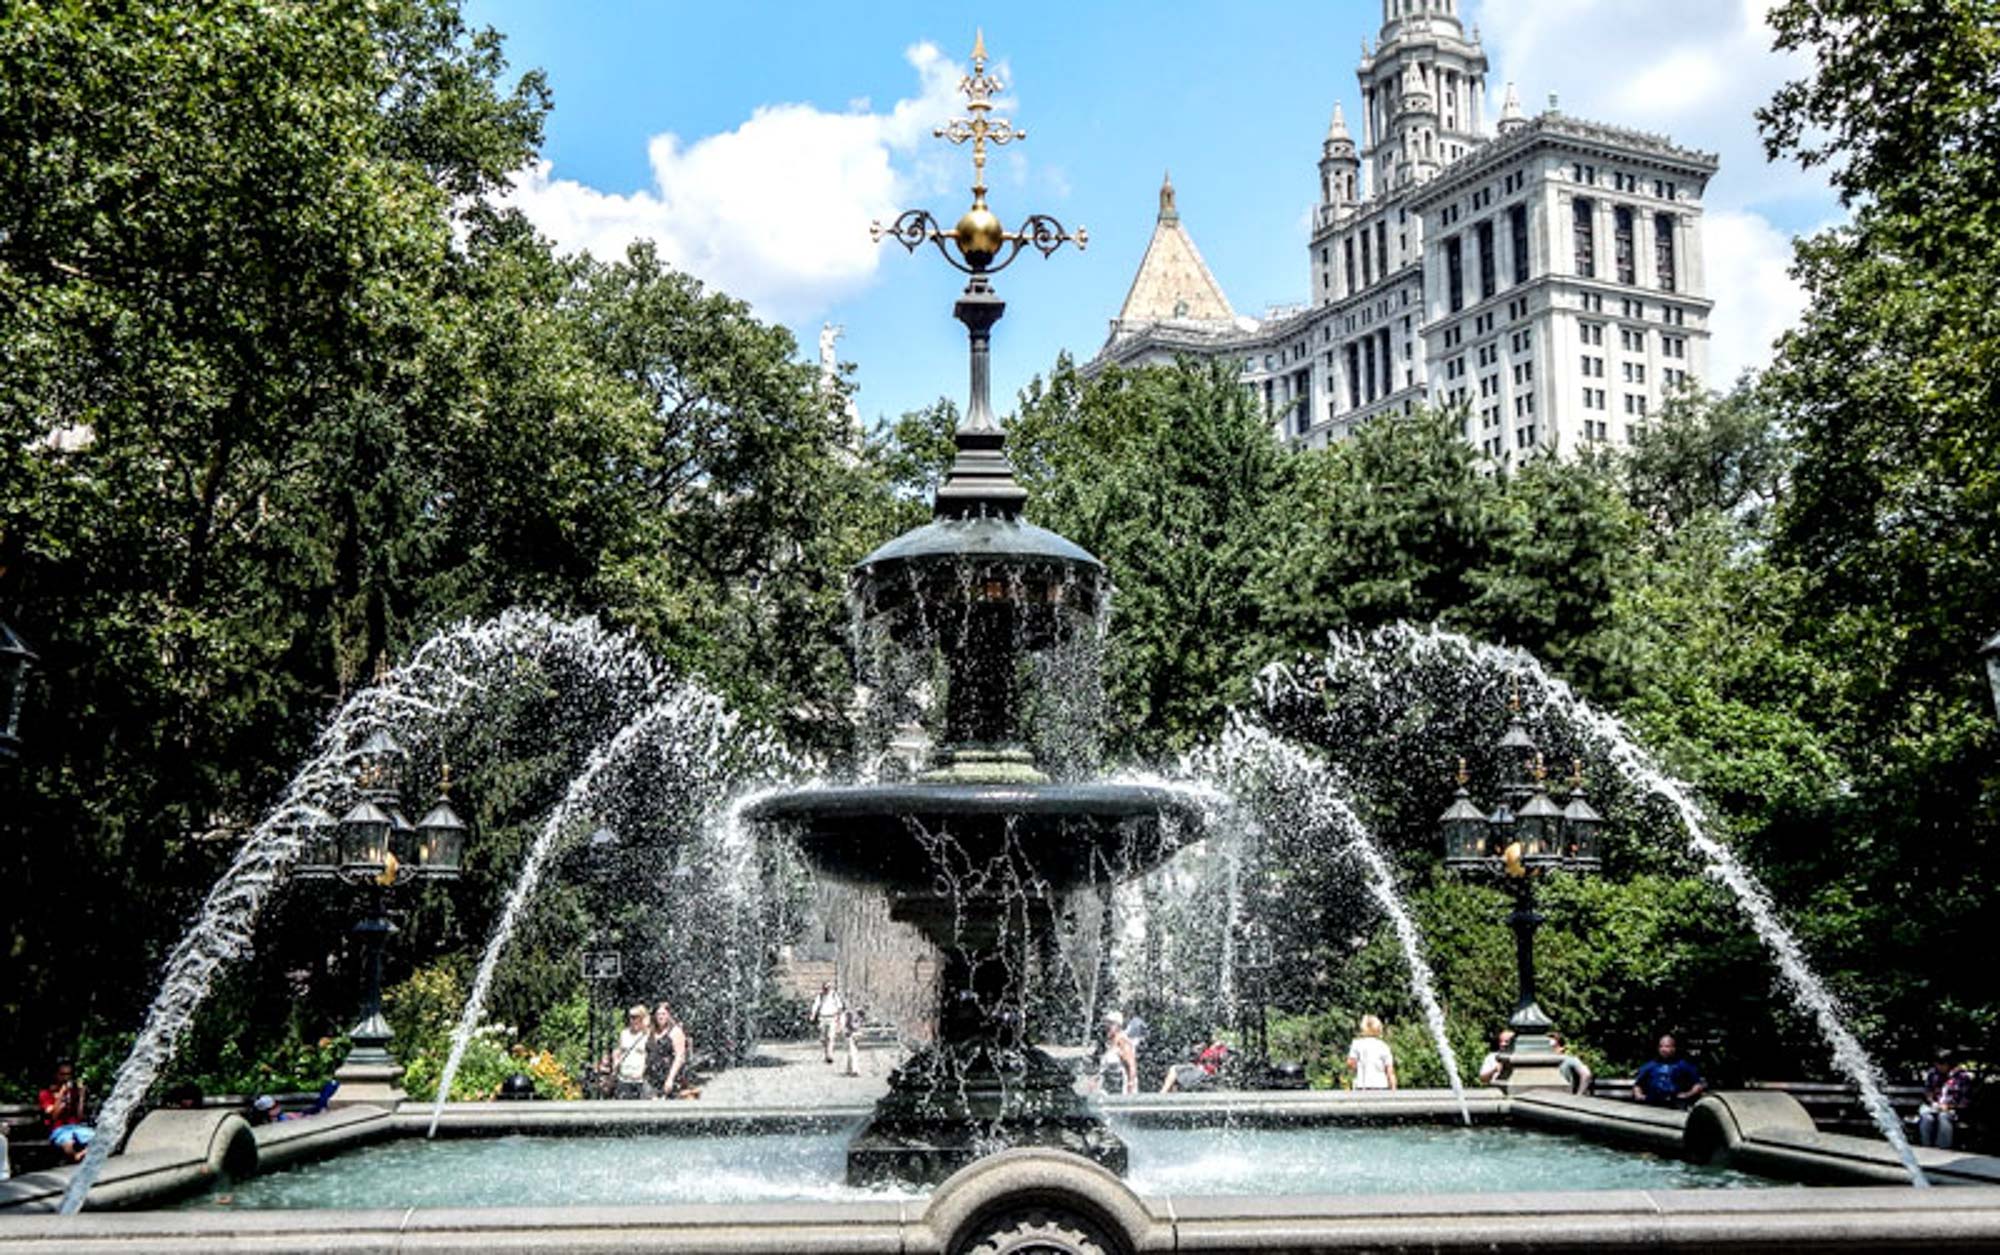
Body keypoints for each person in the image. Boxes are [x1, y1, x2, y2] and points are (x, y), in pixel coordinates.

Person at [37, 1060, 93, 1165]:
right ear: (56, 1075)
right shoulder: (46, 1093)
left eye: (68, 1075)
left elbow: (79, 1117)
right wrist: (61, 1095)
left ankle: (80, 1156)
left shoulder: (73, 1092)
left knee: (98, 1139)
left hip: (75, 1126)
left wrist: (81, 1097)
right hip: (58, 1129)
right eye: (62, 1074)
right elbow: (53, 1117)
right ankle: (77, 1157)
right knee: (68, 1145)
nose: (65, 1078)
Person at [1919, 1049, 1974, 1149]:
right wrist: (1933, 1102)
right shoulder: (1933, 1074)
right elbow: (1928, 1091)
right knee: (1926, 1117)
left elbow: (1965, 1101)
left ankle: (1943, 1148)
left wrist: (1949, 1106)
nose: (1938, 1067)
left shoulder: (1962, 1077)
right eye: (1936, 1064)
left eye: (1941, 1064)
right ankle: (1926, 1147)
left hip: (1953, 1110)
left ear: (1949, 1063)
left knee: (1944, 1117)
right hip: (1934, 1106)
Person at [1632, 1033, 1705, 1108]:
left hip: (1675, 1104)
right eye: (1661, 1046)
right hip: (1652, 1103)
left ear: (1673, 1048)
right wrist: (1639, 1095)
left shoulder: (1684, 1066)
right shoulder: (1650, 1066)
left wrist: (1687, 1095)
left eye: (1667, 1046)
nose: (1663, 1049)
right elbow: (1638, 1084)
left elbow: (1697, 1085)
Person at [1160, 1031, 1231, 1093]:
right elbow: (1194, 1055)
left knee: (1174, 1070)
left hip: (1204, 1073)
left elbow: (1222, 1059)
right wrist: (1198, 1049)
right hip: (1196, 1069)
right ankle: (1167, 1095)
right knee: (1174, 1070)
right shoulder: (1207, 1046)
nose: (1215, 1037)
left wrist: (1217, 1049)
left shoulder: (1221, 1049)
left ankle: (1163, 1095)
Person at [646, 1001, 691, 1098]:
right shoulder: (651, 1032)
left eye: (663, 1014)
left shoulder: (675, 1032)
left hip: (669, 1076)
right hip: (652, 1078)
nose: (660, 1017)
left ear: (668, 1015)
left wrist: (670, 1078)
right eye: (658, 1014)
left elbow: (680, 1057)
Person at [608, 1004, 651, 1099]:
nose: (633, 1020)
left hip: (640, 1080)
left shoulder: (647, 1035)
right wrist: (615, 1061)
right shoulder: (624, 1033)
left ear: (642, 1018)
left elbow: (651, 1055)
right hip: (624, 1079)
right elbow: (618, 1050)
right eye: (631, 1017)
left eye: (636, 1017)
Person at [1345, 1015, 1398, 1090]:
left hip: (1362, 1085)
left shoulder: (1356, 1044)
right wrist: (1393, 1089)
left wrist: (1359, 1067)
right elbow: (1390, 1071)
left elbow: (1350, 1063)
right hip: (1381, 1086)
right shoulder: (1384, 1046)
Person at [808, 982, 849, 1066]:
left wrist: (839, 1019)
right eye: (825, 988)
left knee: (830, 1037)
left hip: (832, 1018)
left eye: (828, 987)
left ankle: (830, 1055)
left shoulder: (834, 995)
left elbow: (839, 1007)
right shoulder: (820, 996)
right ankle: (826, 1052)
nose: (827, 989)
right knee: (823, 1038)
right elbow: (815, 1005)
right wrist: (813, 1014)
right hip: (822, 1018)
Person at [1098, 1011, 1138, 1095]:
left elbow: (1132, 1066)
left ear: (1118, 1026)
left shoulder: (1123, 1042)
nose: (1107, 1027)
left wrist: (1130, 1085)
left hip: (1122, 1089)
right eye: (1106, 1024)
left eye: (1111, 1024)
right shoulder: (1109, 1044)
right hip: (1109, 1088)